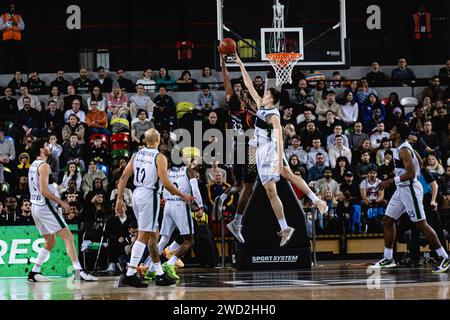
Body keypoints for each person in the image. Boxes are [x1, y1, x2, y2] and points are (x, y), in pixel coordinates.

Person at [231, 52, 328, 246]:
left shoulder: (273, 115)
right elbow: (249, 84)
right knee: (289, 175)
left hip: (268, 152)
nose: (263, 94)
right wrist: (240, 63)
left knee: (271, 191)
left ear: (272, 99)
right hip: (261, 151)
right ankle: (315, 199)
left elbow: (279, 136)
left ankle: (285, 227)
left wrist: (278, 157)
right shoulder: (261, 107)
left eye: (267, 94)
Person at [115, 128, 194, 287]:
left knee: (153, 235)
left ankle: (158, 272)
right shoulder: (160, 157)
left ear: (145, 140)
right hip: (150, 195)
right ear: (157, 141)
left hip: (137, 194)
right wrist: (183, 195)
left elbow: (123, 177)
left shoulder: (136, 155)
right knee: (144, 235)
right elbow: (166, 184)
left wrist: (119, 198)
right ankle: (130, 273)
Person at [371, 123, 449, 272]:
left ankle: (444, 257)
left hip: (410, 189)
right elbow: (419, 162)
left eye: (393, 130)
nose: (391, 131)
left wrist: (389, 181)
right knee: (388, 220)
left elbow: (412, 174)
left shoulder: (405, 150)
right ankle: (388, 258)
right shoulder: (404, 147)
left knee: (421, 224)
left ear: (398, 134)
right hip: (401, 190)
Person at [27, 139, 97, 282]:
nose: (49, 147)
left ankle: (34, 272)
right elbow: (44, 191)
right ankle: (79, 273)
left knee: (50, 240)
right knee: (68, 237)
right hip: (44, 206)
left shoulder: (33, 165)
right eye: (47, 145)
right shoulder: (44, 166)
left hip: (35, 206)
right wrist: (62, 203)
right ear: (41, 149)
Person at [144, 149, 205, 281]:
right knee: (189, 240)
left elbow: (161, 186)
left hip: (167, 206)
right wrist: (200, 206)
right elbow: (195, 190)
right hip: (180, 205)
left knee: (164, 239)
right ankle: (170, 264)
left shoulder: (166, 170)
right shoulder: (189, 170)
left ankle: (150, 268)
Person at [0, 3, 25, 73]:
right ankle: (6, 73)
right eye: (11, 7)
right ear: (8, 8)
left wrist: (16, 23)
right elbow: (0, 27)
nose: (12, 9)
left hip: (17, 40)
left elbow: (22, 27)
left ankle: (18, 73)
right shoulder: (3, 16)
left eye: (13, 8)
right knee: (6, 57)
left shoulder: (18, 16)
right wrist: (8, 23)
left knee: (17, 57)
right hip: (7, 39)